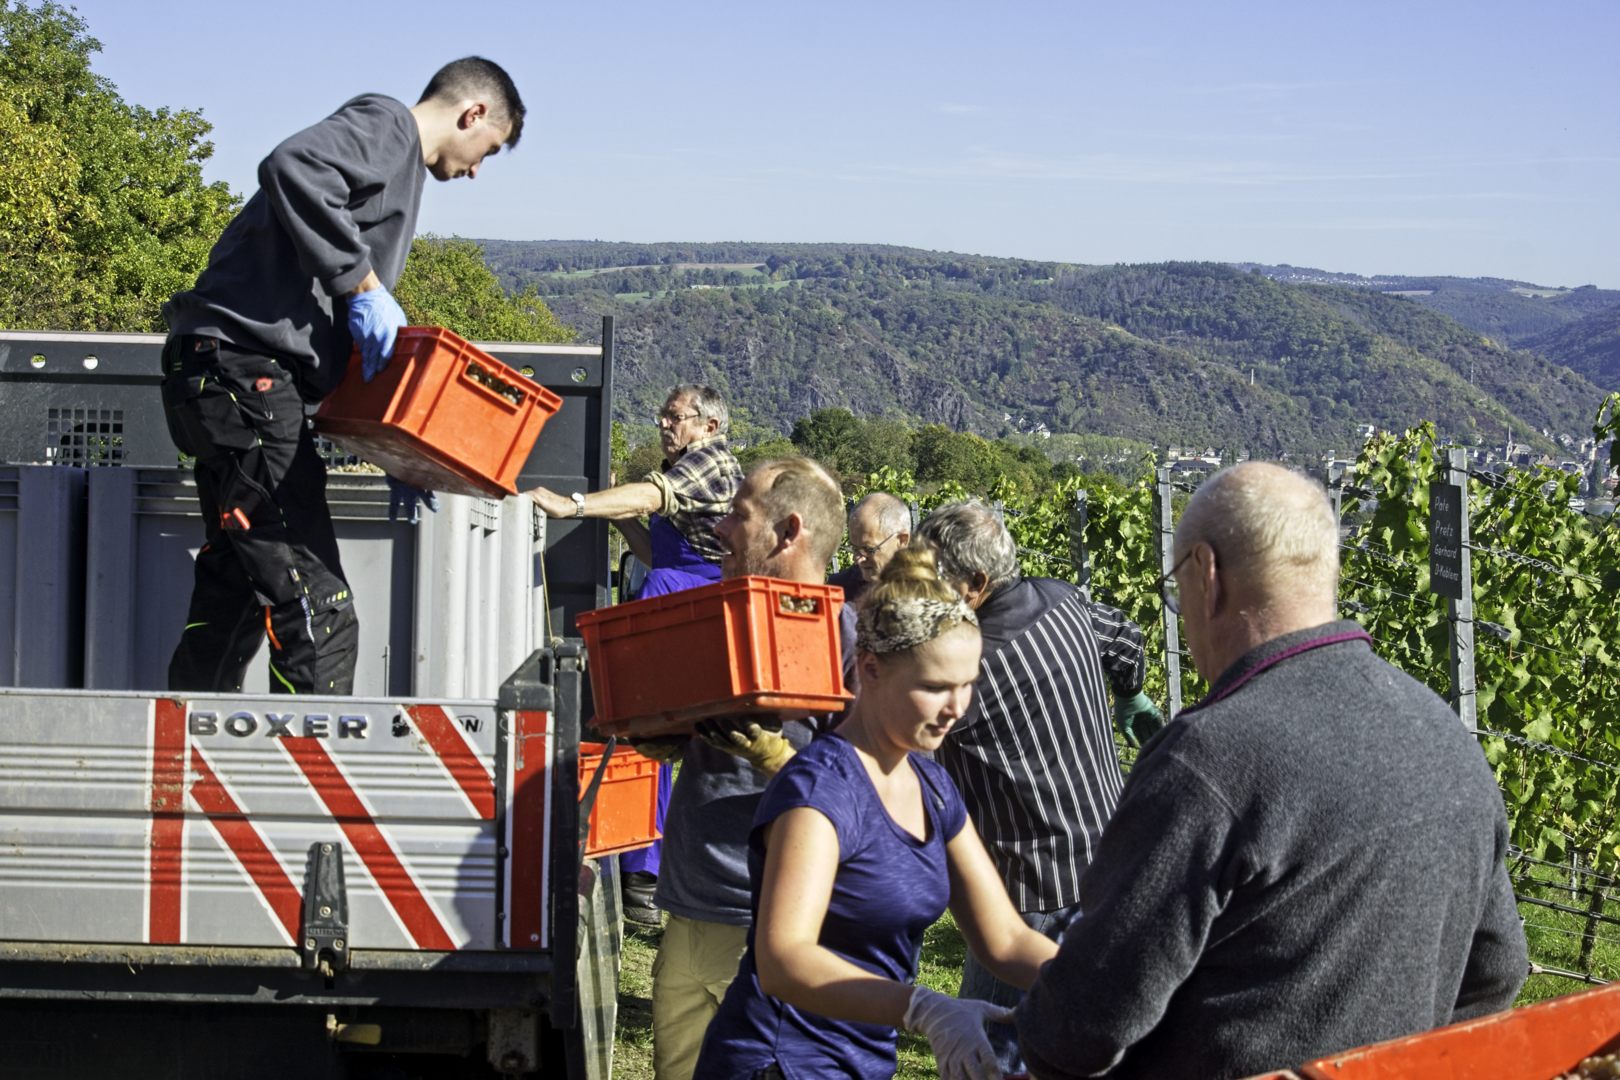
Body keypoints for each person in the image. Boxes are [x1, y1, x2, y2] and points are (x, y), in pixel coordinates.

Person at [1015, 462, 1528, 1079]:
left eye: (1175, 586)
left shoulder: (1206, 760)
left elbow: (1081, 1027)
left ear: (1206, 574)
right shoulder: (1445, 734)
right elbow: (1496, 971)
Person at [159, 58, 526, 695]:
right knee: (319, 614)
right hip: (246, 374)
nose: (473, 171)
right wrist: (361, 284)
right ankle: (306, 786)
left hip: (223, 374)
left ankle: (184, 764)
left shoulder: (394, 161)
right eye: (485, 151)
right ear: (473, 115)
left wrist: (401, 452)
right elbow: (289, 165)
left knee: (238, 590)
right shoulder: (389, 127)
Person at [696, 546, 1060, 1080]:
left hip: (860, 1063)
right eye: (935, 688)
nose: (957, 708)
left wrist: (1104, 986)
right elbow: (783, 960)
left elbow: (1004, 938)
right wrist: (922, 1008)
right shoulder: (820, 792)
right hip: (781, 1064)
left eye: (968, 685)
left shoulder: (932, 786)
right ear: (870, 669)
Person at [911, 498, 1158, 1076]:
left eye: (931, 581)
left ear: (975, 583)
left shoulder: (970, 669)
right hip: (1111, 859)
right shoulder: (1064, 600)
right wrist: (1130, 695)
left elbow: (900, 746)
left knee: (993, 1053)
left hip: (1027, 894)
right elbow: (1126, 642)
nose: (922, 596)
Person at [647, 456, 849, 1080]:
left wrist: (778, 759)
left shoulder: (847, 644)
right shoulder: (720, 618)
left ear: (788, 533)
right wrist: (663, 734)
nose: (721, 529)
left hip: (775, 927)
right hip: (688, 907)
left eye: (740, 516)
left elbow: (870, 798)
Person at [527, 384, 742, 925]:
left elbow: (651, 496)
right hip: (672, 599)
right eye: (662, 417)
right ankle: (644, 867)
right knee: (650, 733)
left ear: (709, 426)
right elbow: (650, 550)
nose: (664, 426)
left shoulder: (709, 463)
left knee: (662, 734)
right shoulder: (692, 468)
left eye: (675, 417)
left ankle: (649, 873)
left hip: (691, 609)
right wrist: (613, 516)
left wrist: (571, 505)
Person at [827, 490, 912, 606]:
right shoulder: (839, 590)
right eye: (854, 548)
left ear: (902, 541)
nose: (857, 559)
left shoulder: (930, 592)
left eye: (868, 549)